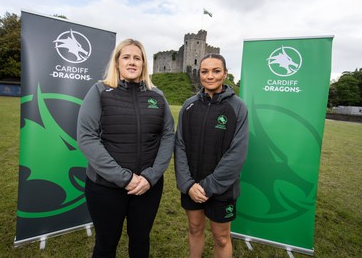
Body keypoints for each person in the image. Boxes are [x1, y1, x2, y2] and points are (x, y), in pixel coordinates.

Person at [77, 39, 175, 258]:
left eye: (137, 58)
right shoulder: (100, 91)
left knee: (140, 242)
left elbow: (168, 134)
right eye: (126, 57)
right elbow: (87, 138)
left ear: (144, 64)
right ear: (117, 61)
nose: (132, 62)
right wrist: (124, 178)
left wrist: (150, 177)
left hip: (147, 188)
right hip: (105, 187)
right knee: (105, 245)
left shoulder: (157, 96)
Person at [174, 53, 249, 258]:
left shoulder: (237, 107)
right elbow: (179, 145)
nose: (210, 76)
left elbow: (237, 153)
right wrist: (188, 184)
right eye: (204, 71)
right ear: (199, 74)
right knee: (195, 229)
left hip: (222, 188)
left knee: (222, 238)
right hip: (192, 186)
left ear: (225, 74)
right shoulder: (188, 106)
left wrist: (208, 186)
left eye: (216, 71)